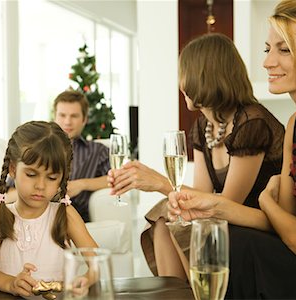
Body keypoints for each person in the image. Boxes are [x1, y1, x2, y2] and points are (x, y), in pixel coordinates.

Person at [108, 33, 285, 280]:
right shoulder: (204, 126)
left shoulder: (251, 122)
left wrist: (159, 183)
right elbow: (202, 190)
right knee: (164, 216)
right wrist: (169, 195)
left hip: (257, 225)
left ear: (205, 75)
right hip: (227, 220)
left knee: (179, 221)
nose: (180, 82)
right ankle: (177, 294)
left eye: (184, 72)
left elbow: (227, 203)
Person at [169, 0, 296, 298]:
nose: (267, 62)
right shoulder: (295, 125)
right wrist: (214, 206)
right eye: (267, 49)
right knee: (221, 236)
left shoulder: (253, 122)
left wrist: (266, 200)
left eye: (284, 49)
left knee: (234, 243)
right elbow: (276, 222)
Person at [0, 121, 98, 298]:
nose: (40, 185)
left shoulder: (66, 214)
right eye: (31, 175)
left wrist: (84, 280)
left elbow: (97, 262)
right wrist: (11, 283)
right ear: (13, 169)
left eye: (52, 177)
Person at [53, 90, 111, 222]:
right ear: (55, 117)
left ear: (84, 119)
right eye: (62, 115)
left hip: (74, 218)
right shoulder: (38, 148)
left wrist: (81, 184)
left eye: (74, 116)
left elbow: (116, 179)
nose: (67, 122)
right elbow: (8, 192)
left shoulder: (98, 151)